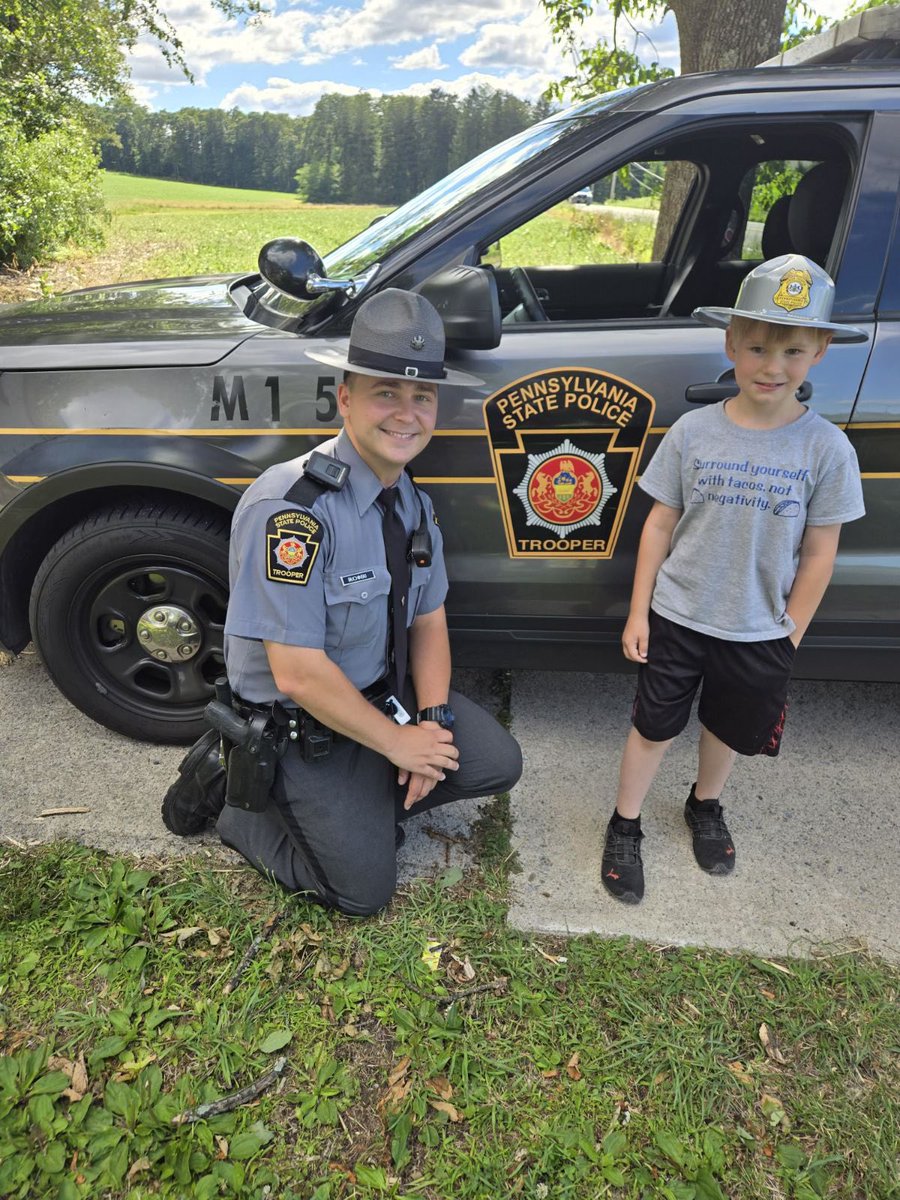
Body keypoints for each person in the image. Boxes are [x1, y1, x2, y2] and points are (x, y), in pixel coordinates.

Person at [163, 288, 522, 915]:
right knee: (361, 892)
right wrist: (397, 745)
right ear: (346, 398)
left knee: (493, 761)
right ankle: (239, 803)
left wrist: (430, 724)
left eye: (423, 395)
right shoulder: (294, 512)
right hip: (303, 723)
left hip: (376, 697)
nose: (407, 414)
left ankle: (359, 798)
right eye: (387, 392)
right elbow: (297, 673)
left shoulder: (409, 498)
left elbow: (430, 620)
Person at [601, 253, 867, 904]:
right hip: (677, 616)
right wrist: (639, 613)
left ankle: (705, 804)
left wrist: (790, 633)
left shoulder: (826, 451)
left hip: (757, 629)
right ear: (730, 343)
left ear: (821, 350)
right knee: (653, 725)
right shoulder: (693, 433)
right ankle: (625, 822)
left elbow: (821, 551)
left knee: (726, 726)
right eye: (756, 347)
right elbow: (659, 526)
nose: (772, 366)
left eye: (793, 351)